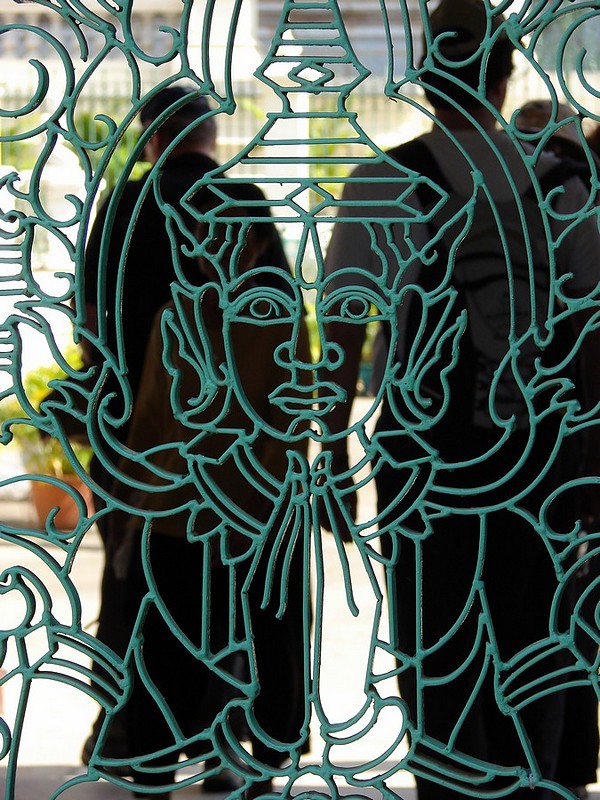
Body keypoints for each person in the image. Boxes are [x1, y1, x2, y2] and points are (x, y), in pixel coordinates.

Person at [321, 1, 600, 798]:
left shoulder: (382, 182)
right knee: (534, 646)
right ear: (504, 80)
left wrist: (332, 450)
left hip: (423, 463)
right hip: (540, 457)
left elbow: (343, 330)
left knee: (436, 651)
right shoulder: (562, 186)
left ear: (425, 80)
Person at [80, 84, 294, 788]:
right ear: (211, 134)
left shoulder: (124, 206)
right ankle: (231, 742)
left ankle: (135, 735)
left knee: (141, 590)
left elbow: (92, 319)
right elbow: (284, 328)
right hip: (242, 452)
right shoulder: (243, 201)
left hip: (141, 439)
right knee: (239, 598)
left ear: (149, 135)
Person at [105, 182, 312, 799]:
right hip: (214, 515)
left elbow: (283, 427)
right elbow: (155, 422)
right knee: (210, 649)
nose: (213, 245)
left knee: (213, 650)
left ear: (258, 243)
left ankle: (198, 768)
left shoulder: (246, 318)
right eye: (203, 232)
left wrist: (142, 503)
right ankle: (200, 768)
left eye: (229, 232)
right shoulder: (195, 316)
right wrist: (133, 506)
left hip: (218, 517)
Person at [516, 98, 600, 800]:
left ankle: (548, 760)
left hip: (523, 432)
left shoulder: (503, 199)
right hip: (571, 431)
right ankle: (567, 759)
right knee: (569, 599)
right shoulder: (578, 202)